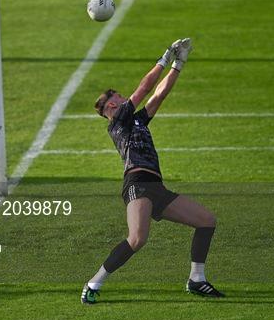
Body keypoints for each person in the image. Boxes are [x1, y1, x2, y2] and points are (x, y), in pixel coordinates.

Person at [81, 38, 224, 304]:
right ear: (112, 106)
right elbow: (144, 87)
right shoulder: (118, 121)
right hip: (137, 184)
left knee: (206, 220)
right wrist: (164, 58)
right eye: (119, 97)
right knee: (137, 239)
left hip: (156, 187)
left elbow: (158, 95)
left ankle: (197, 279)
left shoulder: (134, 119)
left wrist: (178, 65)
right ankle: (93, 283)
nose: (125, 99)